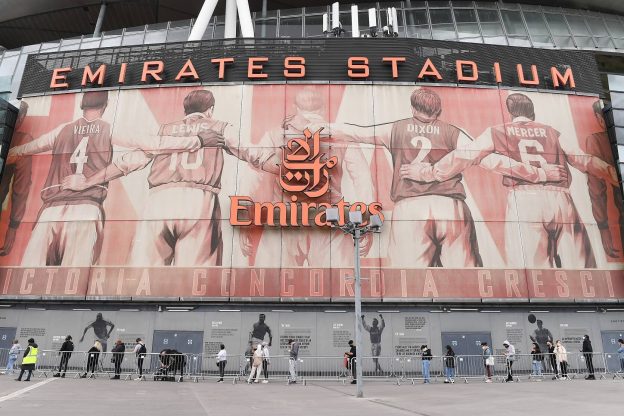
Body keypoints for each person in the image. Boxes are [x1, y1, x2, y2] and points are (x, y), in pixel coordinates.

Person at [328, 88, 555, 268]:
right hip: (451, 207)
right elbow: (490, 160)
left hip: (410, 208)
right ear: (438, 111)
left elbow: (355, 132)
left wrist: (321, 128)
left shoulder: (395, 129)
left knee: (409, 282)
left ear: (413, 108)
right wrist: (539, 174)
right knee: (465, 279)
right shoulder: (452, 132)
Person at [402, 92, 618, 269]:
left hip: (524, 199)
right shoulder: (552, 132)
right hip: (561, 199)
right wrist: (613, 174)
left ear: (511, 112)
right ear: (532, 112)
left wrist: (429, 172)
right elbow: (584, 160)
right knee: (581, 266)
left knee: (533, 271)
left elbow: (465, 155)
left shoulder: (498, 131)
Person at [63, 89, 274, 267]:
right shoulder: (219, 127)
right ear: (210, 110)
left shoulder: (163, 130)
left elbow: (128, 162)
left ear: (185, 111)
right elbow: (254, 154)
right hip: (199, 200)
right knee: (194, 281)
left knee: (143, 278)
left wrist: (87, 182)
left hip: (159, 200)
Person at [239, 86, 374, 268]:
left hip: (285, 216)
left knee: (271, 282)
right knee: (338, 282)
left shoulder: (274, 135)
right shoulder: (342, 137)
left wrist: (244, 220)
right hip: (330, 216)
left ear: (295, 108)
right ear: (323, 109)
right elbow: (363, 179)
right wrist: (367, 223)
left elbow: (253, 178)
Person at [7, 91, 113, 267]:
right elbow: (145, 145)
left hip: (52, 209)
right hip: (87, 208)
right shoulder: (110, 128)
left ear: (82, 104)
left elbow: (28, 148)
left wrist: (10, 152)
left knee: (30, 273)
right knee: (74, 277)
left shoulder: (63, 129)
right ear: (105, 105)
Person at [582, 100, 624, 258]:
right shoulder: (599, 140)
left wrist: (603, 227)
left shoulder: (597, 140)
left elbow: (596, 188)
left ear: (600, 118)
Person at [0, 101, 32, 256]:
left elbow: (22, 186)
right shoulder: (21, 140)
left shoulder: (21, 140)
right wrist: (13, 227)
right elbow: (21, 187)